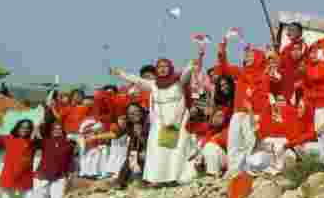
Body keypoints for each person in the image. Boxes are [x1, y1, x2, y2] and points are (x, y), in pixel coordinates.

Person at [112, 53, 199, 186]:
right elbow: (137, 80)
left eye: (165, 66)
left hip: (177, 121)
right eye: (159, 67)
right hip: (160, 122)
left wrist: (191, 64)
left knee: (176, 150)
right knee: (158, 150)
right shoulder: (153, 84)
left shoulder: (178, 81)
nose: (162, 69)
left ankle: (174, 178)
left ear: (170, 67)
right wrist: (121, 73)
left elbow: (186, 74)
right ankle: (157, 179)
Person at [217, 40, 270, 176]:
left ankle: (248, 171)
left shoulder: (264, 77)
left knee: (249, 143)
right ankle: (233, 171)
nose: (247, 56)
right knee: (233, 143)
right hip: (237, 114)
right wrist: (222, 52)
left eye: (251, 55)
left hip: (253, 115)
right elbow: (224, 69)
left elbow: (263, 98)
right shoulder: (241, 73)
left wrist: (253, 110)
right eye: (246, 54)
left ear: (259, 58)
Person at [31, 120, 75, 198]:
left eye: (59, 129)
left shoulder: (69, 143)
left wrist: (71, 174)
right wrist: (36, 128)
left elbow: (70, 160)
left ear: (63, 130)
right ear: (51, 131)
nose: (57, 130)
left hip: (59, 177)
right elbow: (33, 141)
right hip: (42, 176)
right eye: (55, 129)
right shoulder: (45, 141)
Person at [116, 103, 149, 189]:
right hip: (134, 154)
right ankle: (123, 182)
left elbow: (150, 144)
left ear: (141, 111)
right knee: (131, 157)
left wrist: (139, 135)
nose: (134, 114)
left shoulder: (148, 122)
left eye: (136, 111)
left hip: (150, 153)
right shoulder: (130, 125)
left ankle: (145, 180)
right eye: (131, 113)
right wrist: (94, 137)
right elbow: (116, 134)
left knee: (137, 156)